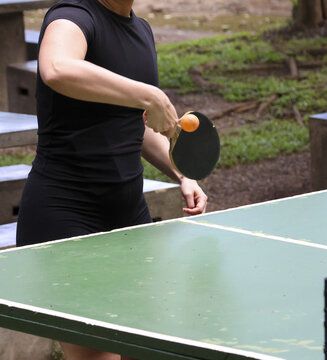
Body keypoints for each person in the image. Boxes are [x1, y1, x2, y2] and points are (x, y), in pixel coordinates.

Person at [15, 0, 207, 357]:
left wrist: (183, 173)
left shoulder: (141, 30)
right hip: (66, 219)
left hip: (128, 219)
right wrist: (148, 94)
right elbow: (56, 68)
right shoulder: (73, 16)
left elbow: (132, 128)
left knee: (148, 348)